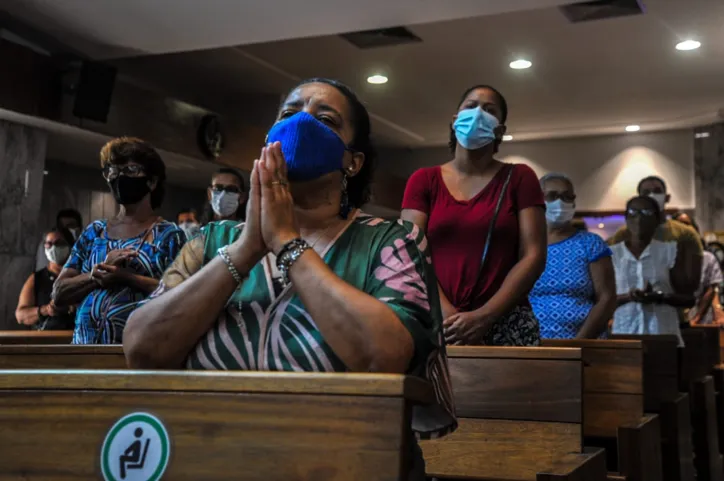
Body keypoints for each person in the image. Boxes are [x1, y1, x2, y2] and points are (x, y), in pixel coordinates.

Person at [124, 78, 456, 479]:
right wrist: (247, 248)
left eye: (326, 119)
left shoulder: (389, 241)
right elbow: (142, 348)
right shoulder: (214, 241)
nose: (301, 122)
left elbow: (382, 357)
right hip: (210, 460)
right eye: (288, 113)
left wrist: (286, 243)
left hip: (345, 466)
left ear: (354, 161)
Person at [401, 84, 547, 346]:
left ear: (500, 130)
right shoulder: (424, 180)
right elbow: (411, 252)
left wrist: (485, 316)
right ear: (455, 120)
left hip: (505, 321)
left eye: (489, 110)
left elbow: (533, 255)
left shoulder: (520, 178)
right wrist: (446, 312)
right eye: (470, 106)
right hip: (437, 321)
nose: (478, 113)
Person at [52, 137, 185, 344]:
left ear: (151, 181)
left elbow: (183, 296)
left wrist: (128, 278)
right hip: (83, 352)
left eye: (131, 170)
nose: (119, 177)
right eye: (113, 171)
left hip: (141, 354)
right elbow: (59, 293)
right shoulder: (94, 232)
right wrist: (94, 275)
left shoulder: (169, 235)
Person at [529, 173, 616, 339]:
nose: (561, 202)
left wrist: (578, 343)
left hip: (583, 343)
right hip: (530, 344)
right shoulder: (524, 246)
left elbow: (607, 298)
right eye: (552, 196)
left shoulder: (591, 244)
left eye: (567, 197)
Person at [610, 196, 695, 344]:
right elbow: (601, 300)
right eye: (633, 212)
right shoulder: (613, 254)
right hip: (624, 335)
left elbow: (688, 299)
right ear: (626, 218)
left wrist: (659, 296)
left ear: (657, 220)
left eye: (646, 212)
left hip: (662, 335)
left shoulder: (669, 251)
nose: (639, 218)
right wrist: (629, 297)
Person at [608, 176, 702, 296]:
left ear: (667, 197)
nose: (652, 195)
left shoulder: (686, 234)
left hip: (671, 310)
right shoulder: (623, 234)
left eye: (657, 191)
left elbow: (691, 284)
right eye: (646, 192)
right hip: (629, 311)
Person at [16, 227, 76, 330]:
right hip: (46, 338)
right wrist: (46, 310)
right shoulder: (37, 278)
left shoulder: (80, 275)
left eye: (59, 243)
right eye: (49, 244)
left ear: (70, 246)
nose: (53, 248)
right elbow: (20, 316)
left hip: (76, 339)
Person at [672, 212, 724, 325]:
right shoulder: (666, 257)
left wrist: (696, 318)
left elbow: (711, 289)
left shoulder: (708, 258)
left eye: (687, 224)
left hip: (702, 320)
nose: (683, 228)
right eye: (678, 224)